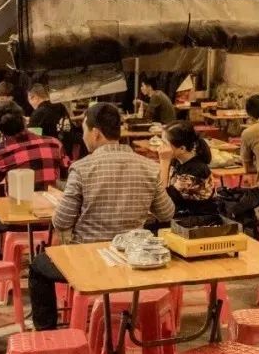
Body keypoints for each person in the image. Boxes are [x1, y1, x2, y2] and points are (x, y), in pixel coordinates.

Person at [29, 103, 175, 330]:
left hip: (88, 262)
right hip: (133, 259)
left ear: (95, 133)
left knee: (38, 266)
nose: (83, 137)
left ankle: (47, 333)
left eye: (84, 130)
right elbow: (167, 213)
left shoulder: (82, 168)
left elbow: (62, 221)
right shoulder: (149, 167)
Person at [0, 102, 70, 259]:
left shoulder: (1, 151)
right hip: (52, 217)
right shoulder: (54, 143)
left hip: (17, 218)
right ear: (24, 121)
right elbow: (67, 169)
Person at [160, 121, 216, 216]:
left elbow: (163, 200)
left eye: (165, 143)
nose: (161, 147)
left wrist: (164, 161)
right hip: (180, 212)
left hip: (197, 218)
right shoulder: (177, 160)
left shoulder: (195, 170)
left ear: (182, 148)